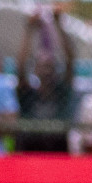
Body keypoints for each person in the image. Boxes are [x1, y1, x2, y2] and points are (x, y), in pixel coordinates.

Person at [15, 9, 76, 153]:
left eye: (50, 67)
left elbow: (70, 61)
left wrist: (59, 26)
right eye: (42, 67)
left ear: (56, 70)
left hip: (57, 150)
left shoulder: (62, 92)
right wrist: (29, 30)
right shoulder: (28, 94)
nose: (46, 71)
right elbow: (20, 67)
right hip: (30, 149)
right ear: (35, 69)